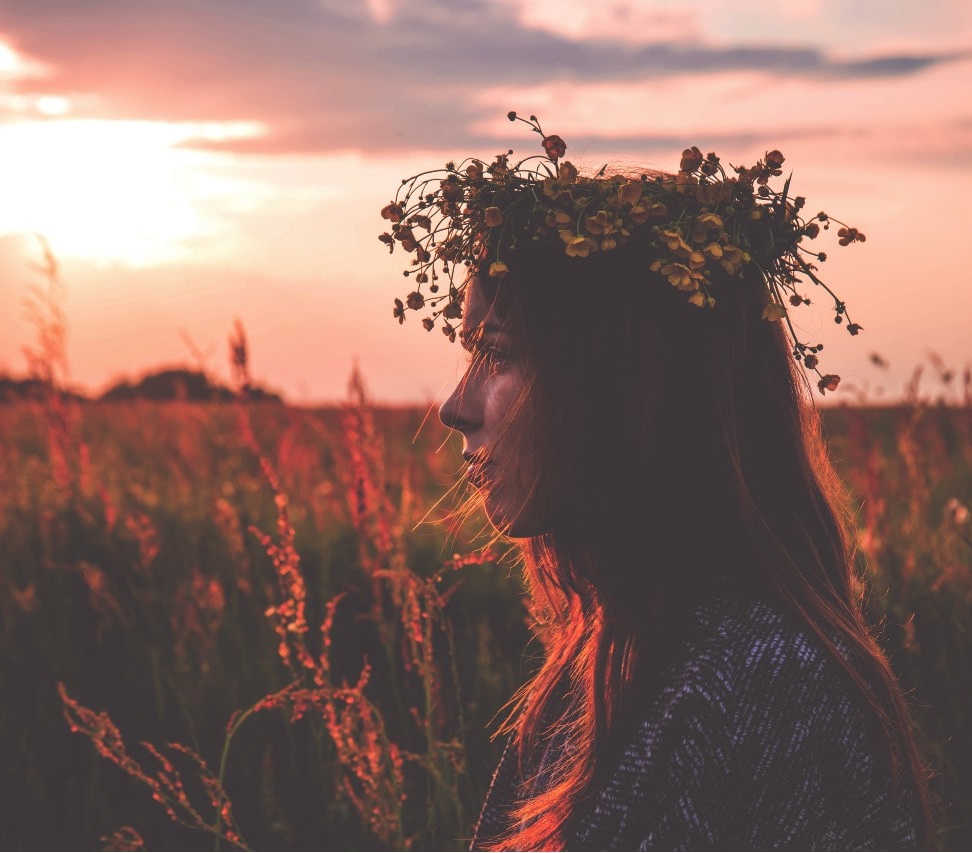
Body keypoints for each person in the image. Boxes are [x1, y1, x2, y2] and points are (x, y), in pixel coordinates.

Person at [379, 113, 930, 850]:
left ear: (622, 389)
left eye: (500, 354)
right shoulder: (613, 659)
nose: (455, 406)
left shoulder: (761, 691)